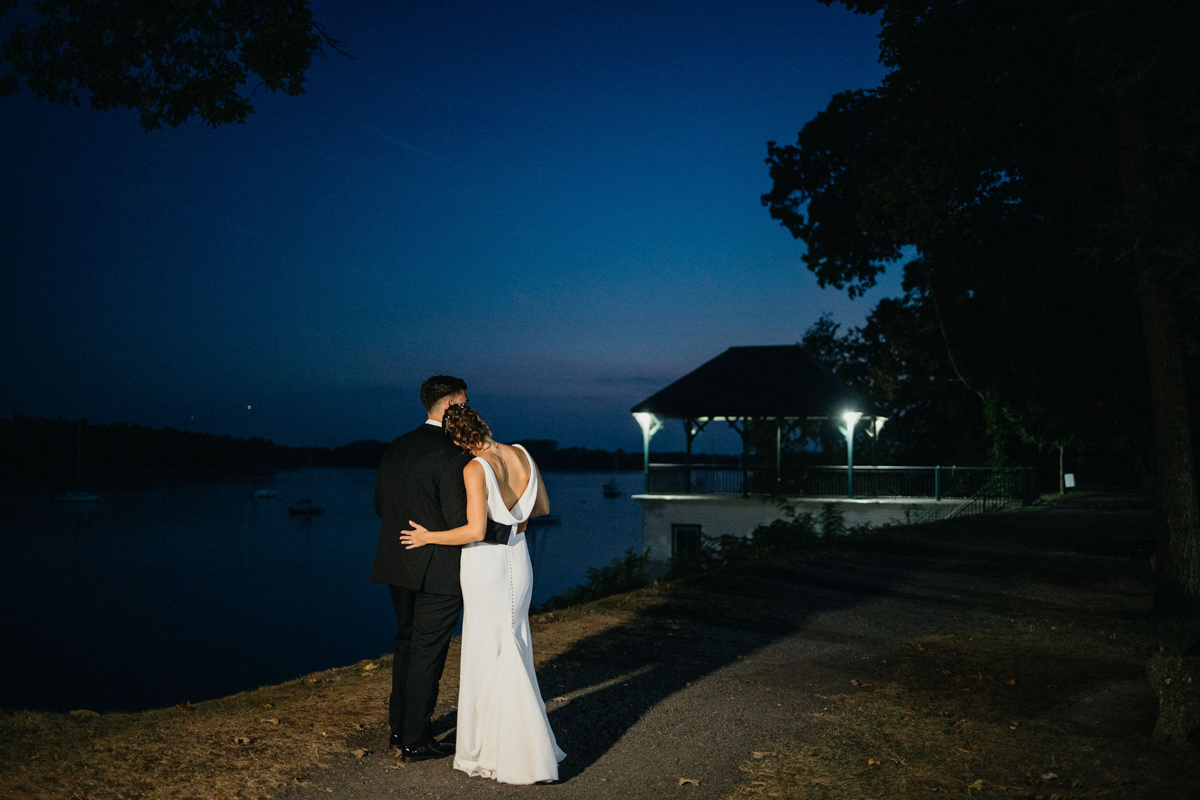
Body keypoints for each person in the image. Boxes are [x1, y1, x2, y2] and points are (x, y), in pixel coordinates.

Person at [400, 404, 566, 785]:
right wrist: (514, 522)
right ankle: (512, 742)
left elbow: (474, 531)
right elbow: (542, 507)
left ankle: (501, 750)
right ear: (484, 424)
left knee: (484, 649)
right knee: (514, 642)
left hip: (485, 566)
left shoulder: (474, 468)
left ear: (457, 439)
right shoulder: (522, 454)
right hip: (519, 560)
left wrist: (427, 536)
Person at [370, 376, 509, 762]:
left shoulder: (395, 446)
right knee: (428, 652)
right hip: (438, 569)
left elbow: (381, 506)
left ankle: (399, 729)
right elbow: (460, 520)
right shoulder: (453, 452)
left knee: (406, 645)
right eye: (463, 403)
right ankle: (417, 740)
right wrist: (509, 528)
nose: (467, 409)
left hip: (398, 562)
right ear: (449, 406)